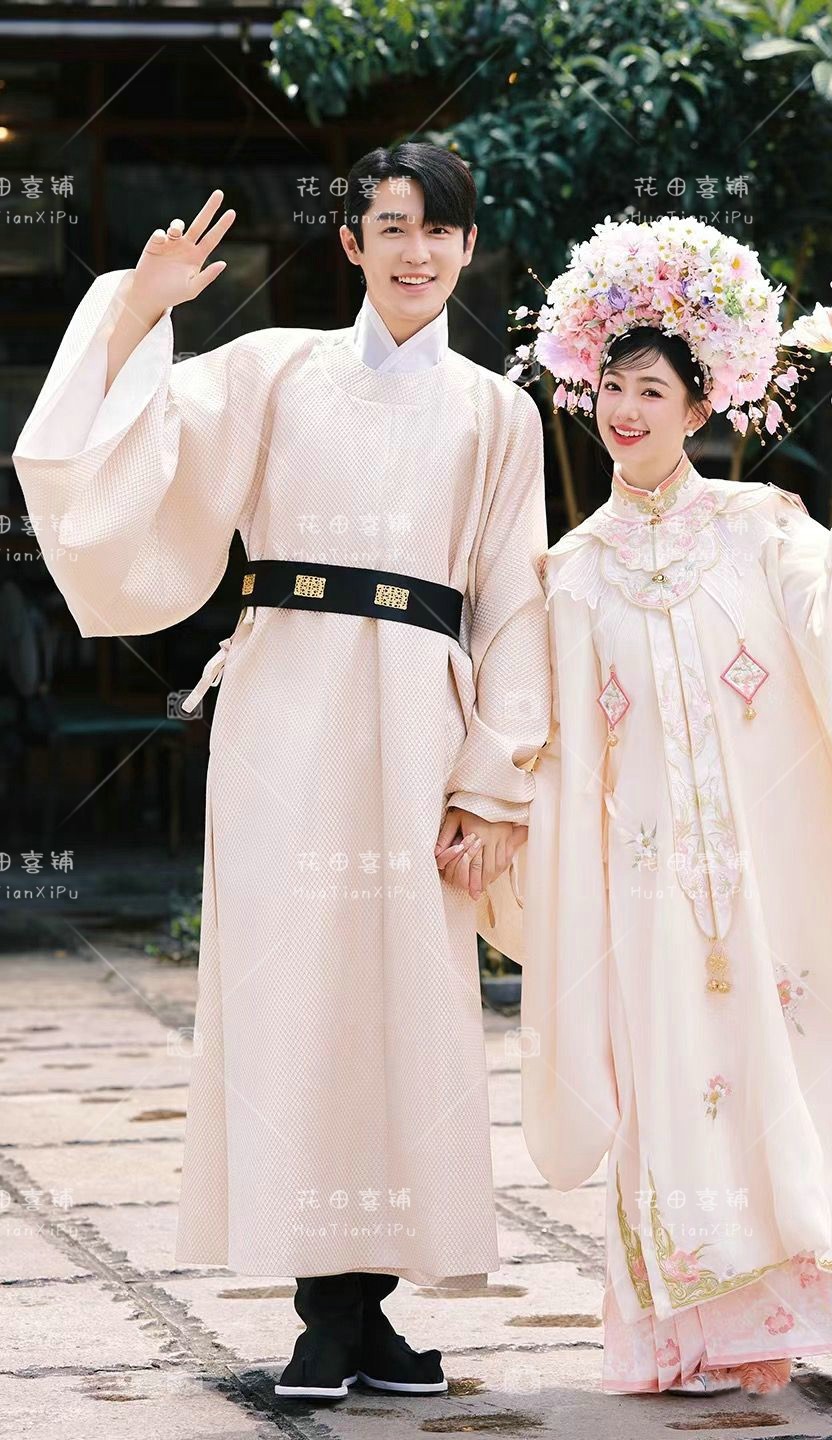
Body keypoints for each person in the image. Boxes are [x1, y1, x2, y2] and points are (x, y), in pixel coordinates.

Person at [13, 142, 550, 1402]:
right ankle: (324, 1313)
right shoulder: (268, 370)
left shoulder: (500, 412)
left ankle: (369, 1310)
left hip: (421, 723)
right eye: (391, 227)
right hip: (285, 718)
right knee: (293, 999)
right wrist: (136, 309)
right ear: (350, 243)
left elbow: (515, 604)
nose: (416, 251)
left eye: (440, 230)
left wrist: (492, 784)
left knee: (406, 1009)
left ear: (468, 248)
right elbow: (113, 462)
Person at [491, 217, 832, 1397]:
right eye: (613, 387)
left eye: (652, 391)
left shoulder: (763, 526)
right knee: (679, 1079)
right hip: (649, 883)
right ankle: (697, 1332)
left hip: (784, 869)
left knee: (808, 1056)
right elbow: (556, 748)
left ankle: (808, 1303)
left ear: (698, 405)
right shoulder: (570, 573)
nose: (627, 411)